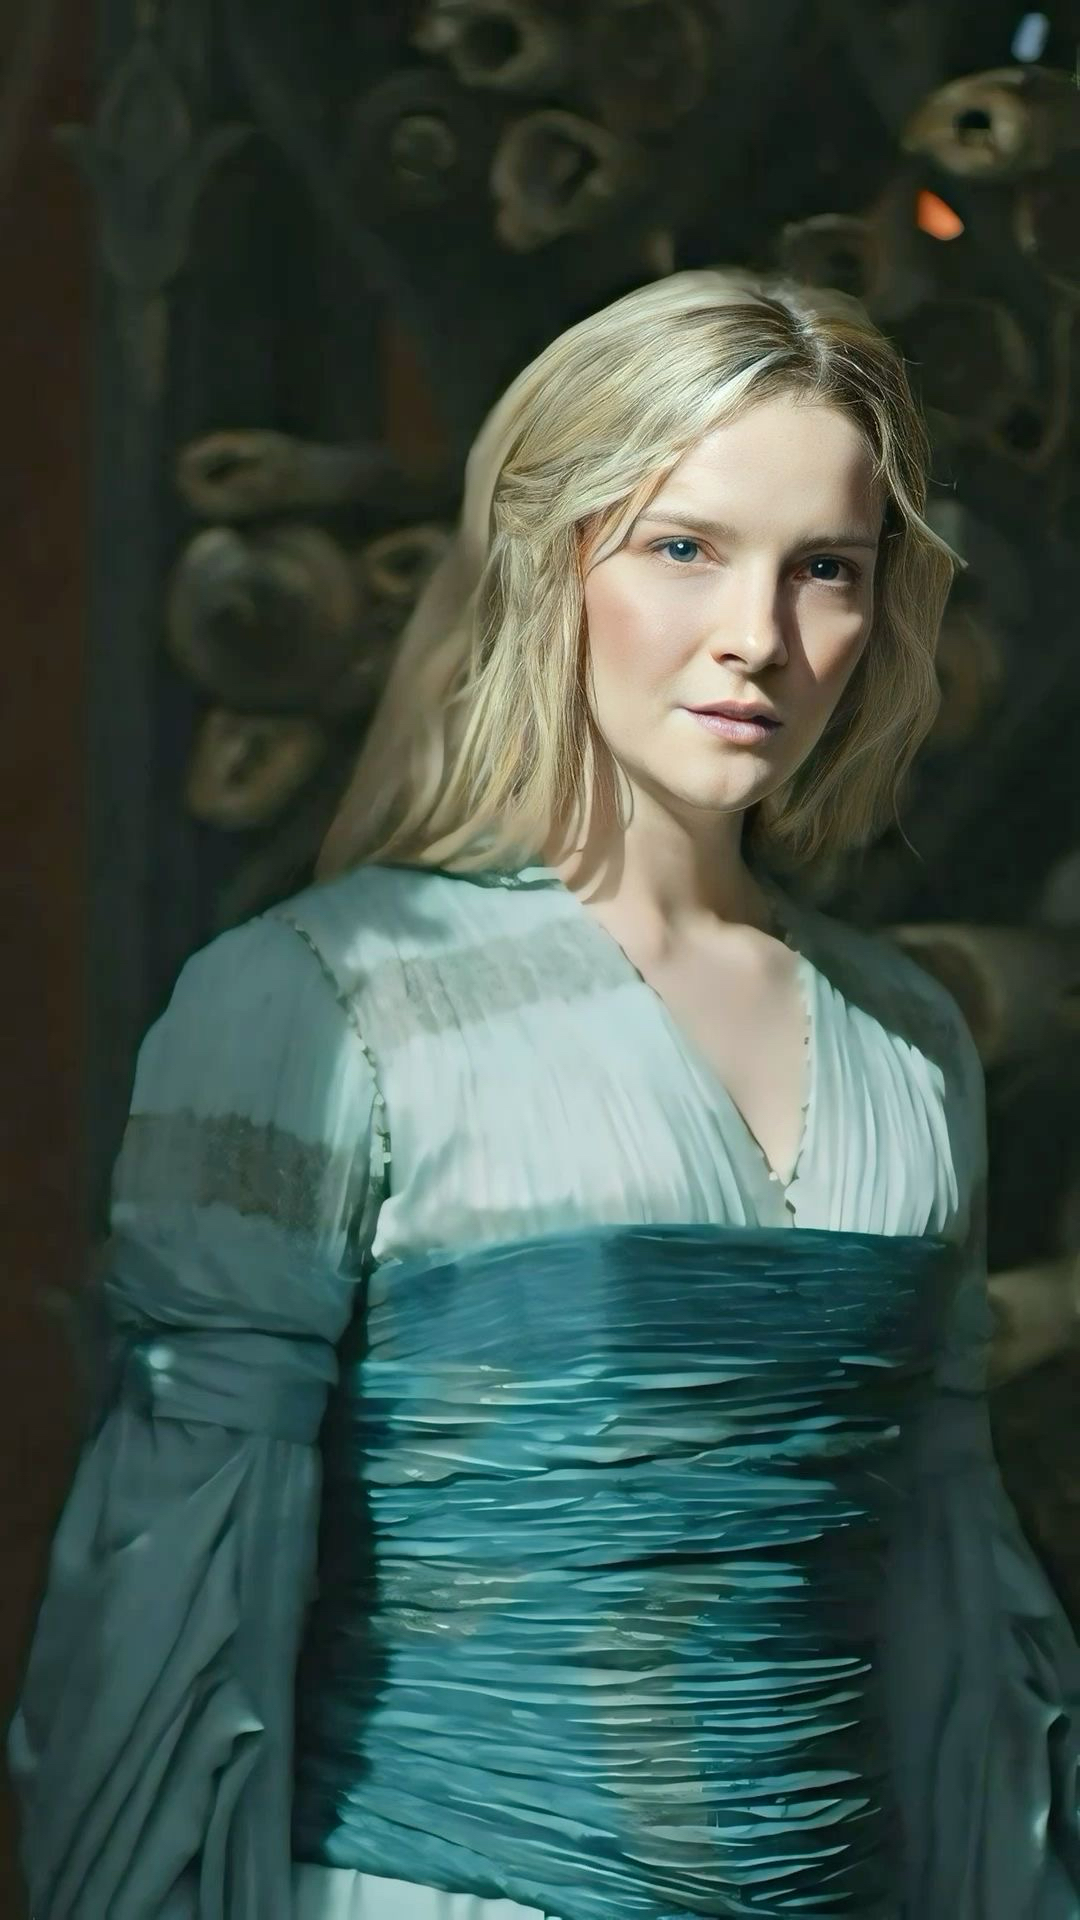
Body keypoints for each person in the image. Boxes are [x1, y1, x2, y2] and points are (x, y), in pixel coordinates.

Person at [9, 268, 1080, 1920]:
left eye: (825, 569)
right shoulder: (318, 1001)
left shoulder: (907, 1037)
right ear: (544, 561)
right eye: (685, 548)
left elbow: (950, 1605)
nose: (759, 636)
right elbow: (171, 1612)